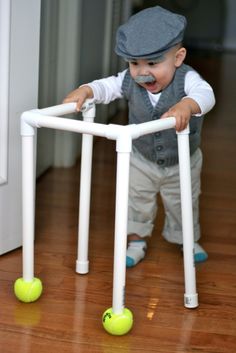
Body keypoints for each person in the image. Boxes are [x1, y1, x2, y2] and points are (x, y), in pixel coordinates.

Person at [63, 6, 215, 267]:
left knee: (183, 202)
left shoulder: (187, 78)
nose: (142, 72)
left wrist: (188, 105)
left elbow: (206, 94)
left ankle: (186, 239)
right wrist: (87, 90)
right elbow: (107, 86)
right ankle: (136, 241)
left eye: (153, 63)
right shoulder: (129, 80)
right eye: (134, 63)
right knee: (136, 201)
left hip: (182, 160)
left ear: (178, 58)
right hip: (141, 158)